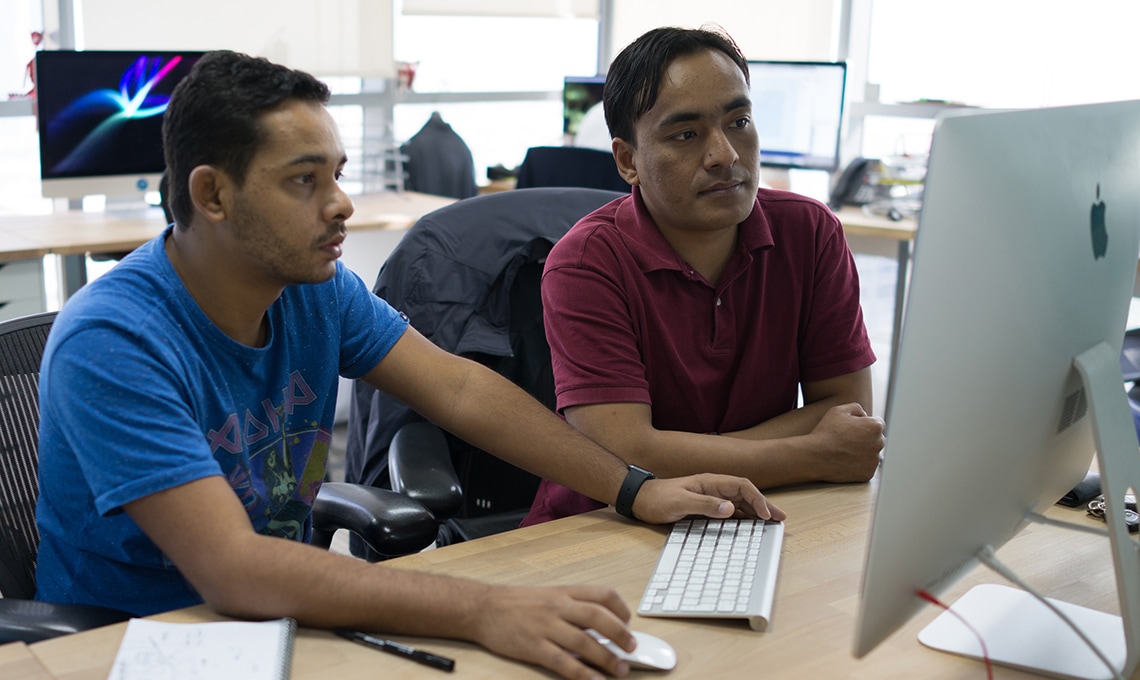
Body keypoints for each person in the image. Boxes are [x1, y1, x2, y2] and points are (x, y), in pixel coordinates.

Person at [33, 50, 784, 680]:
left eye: (337, 173)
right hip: (136, 643)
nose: (341, 206)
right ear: (213, 194)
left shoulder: (315, 294)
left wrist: (635, 490)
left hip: (283, 627)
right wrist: (482, 607)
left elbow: (460, 389)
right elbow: (232, 568)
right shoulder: (114, 342)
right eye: (306, 180)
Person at [522, 27, 886, 526]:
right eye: (686, 134)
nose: (725, 155)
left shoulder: (810, 231)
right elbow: (622, 452)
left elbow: (847, 409)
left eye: (739, 121)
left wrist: (674, 454)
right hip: (608, 523)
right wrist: (812, 453)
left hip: (766, 510)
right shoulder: (586, 263)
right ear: (628, 161)